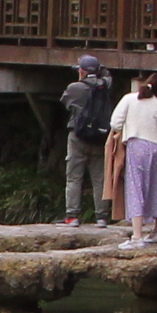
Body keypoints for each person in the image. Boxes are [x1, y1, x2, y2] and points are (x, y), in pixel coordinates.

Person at [111, 70, 157, 245]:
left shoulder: (129, 99)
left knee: (135, 187)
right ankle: (156, 231)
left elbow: (115, 122)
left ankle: (137, 236)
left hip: (136, 145)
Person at [60, 55, 114, 225]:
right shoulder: (105, 85)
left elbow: (66, 103)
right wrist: (99, 71)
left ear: (81, 70)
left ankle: (72, 215)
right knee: (100, 178)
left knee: (74, 177)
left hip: (78, 136)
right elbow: (108, 76)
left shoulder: (74, 87)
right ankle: (102, 217)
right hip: (100, 136)